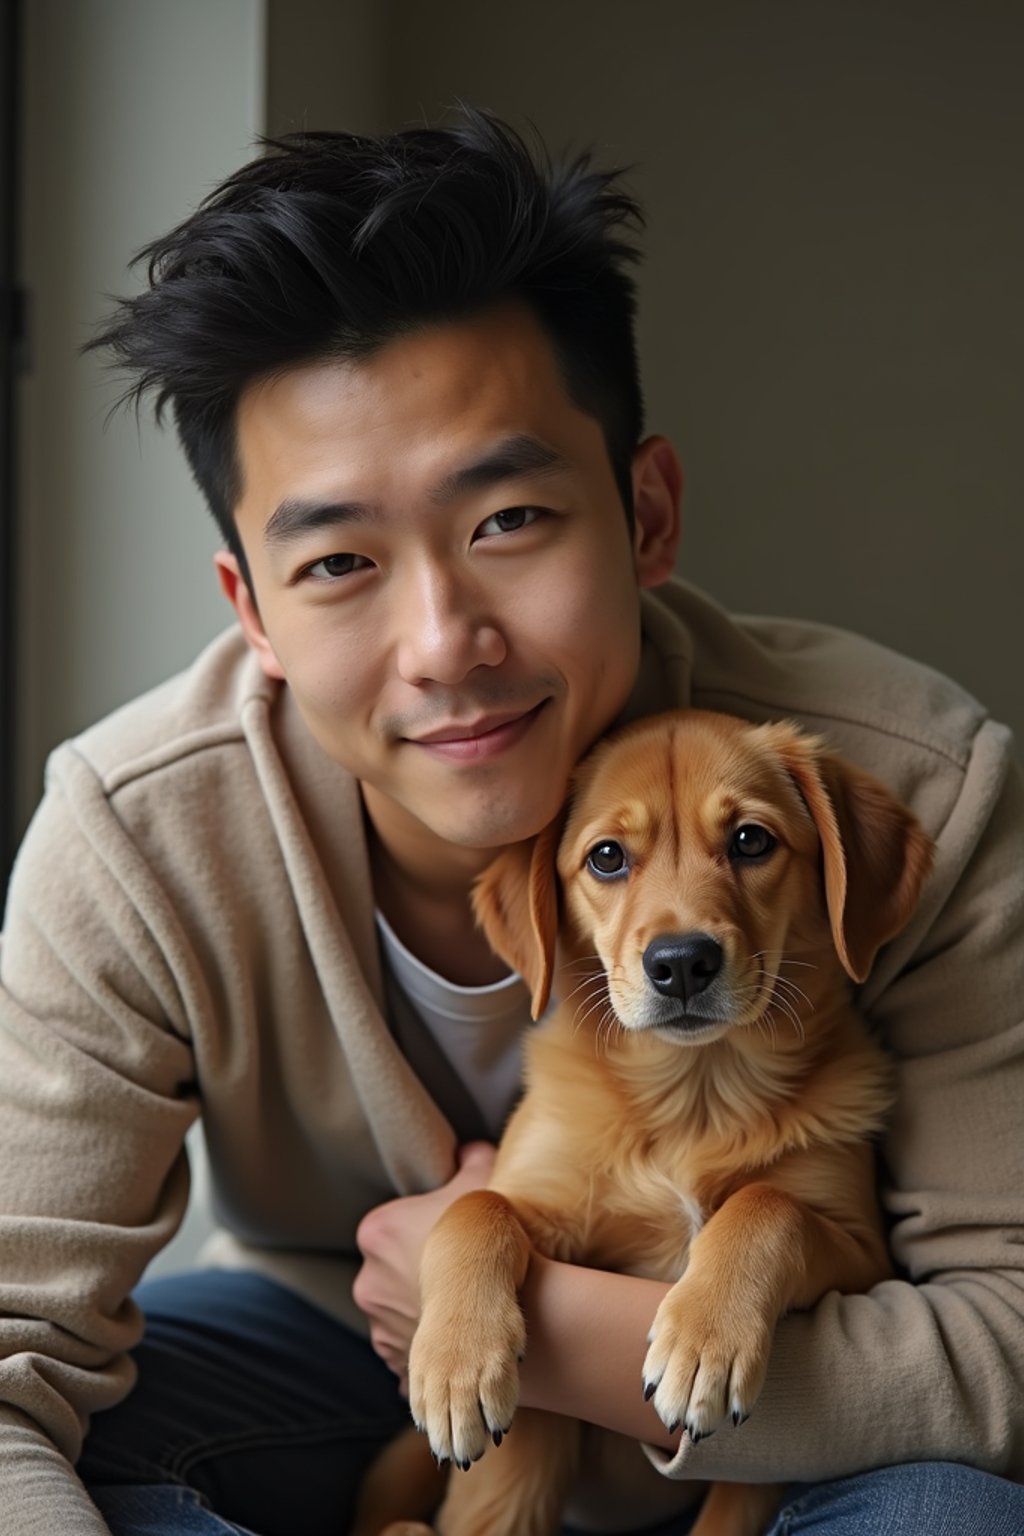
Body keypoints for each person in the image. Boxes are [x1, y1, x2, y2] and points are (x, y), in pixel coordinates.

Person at [0, 108, 1022, 1536]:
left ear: (646, 513)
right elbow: (10, 1373)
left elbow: (1008, 1343)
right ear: (254, 613)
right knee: (115, 1432)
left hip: (798, 1382)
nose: (443, 643)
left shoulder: (911, 782)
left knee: (955, 1515)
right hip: (353, 1344)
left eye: (508, 522)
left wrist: (568, 1341)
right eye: (342, 559)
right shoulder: (134, 840)